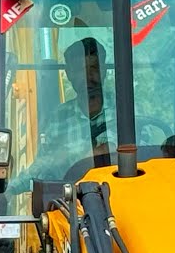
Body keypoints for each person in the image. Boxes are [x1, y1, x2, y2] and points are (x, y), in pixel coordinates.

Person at [8, 36, 116, 193]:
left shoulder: (126, 110)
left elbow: (145, 156)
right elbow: (43, 166)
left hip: (123, 196)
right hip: (74, 204)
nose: (89, 77)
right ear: (69, 74)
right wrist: (10, 191)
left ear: (104, 70)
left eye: (94, 68)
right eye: (81, 70)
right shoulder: (59, 117)